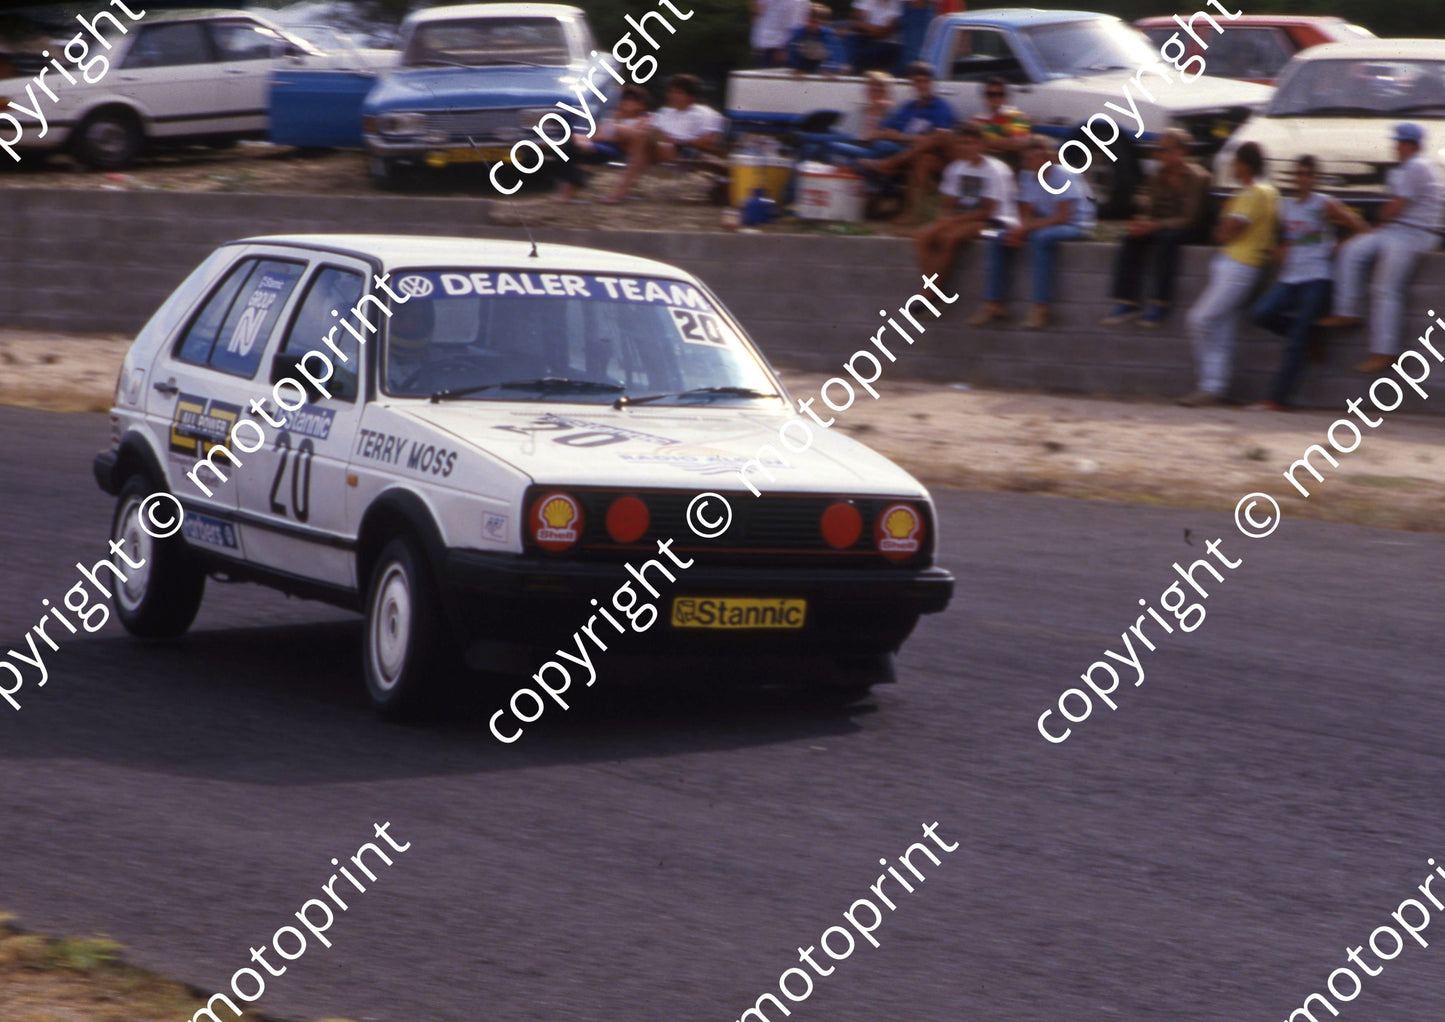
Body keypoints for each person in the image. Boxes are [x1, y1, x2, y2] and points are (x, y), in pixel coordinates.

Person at [1318, 122, 1445, 373]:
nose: (1396, 146)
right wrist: (1374, 226)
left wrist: (1373, 222)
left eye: (1400, 142)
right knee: (1351, 251)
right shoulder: (1404, 168)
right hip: (1396, 229)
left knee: (1385, 286)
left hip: (1417, 232)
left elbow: (1396, 205)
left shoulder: (1418, 165)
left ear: (1411, 145)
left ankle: (1385, 351)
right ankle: (1348, 310)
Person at [1249, 155, 1366, 409]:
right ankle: (1311, 334)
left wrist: (1338, 247)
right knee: (1261, 313)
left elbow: (1358, 226)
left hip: (1317, 278)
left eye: (1308, 174)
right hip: (1289, 279)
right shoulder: (1286, 206)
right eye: (1299, 174)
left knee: (1297, 338)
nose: (1303, 179)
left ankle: (1275, 398)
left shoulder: (1323, 204)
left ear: (1315, 179)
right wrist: (1279, 251)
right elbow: (1284, 239)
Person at [1178, 141, 1278, 407]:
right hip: (1236, 265)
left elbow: (1226, 231)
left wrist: (1224, 229)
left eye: (1235, 162)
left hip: (1239, 265)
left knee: (1199, 319)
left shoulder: (1256, 192)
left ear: (1245, 164)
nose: (1233, 166)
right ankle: (1214, 387)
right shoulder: (1256, 192)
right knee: (1220, 328)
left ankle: (1210, 384)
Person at [969, 135, 1095, 329]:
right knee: (999, 238)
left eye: (1034, 156)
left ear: (1046, 156)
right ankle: (993, 303)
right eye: (1025, 157)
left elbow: (1064, 217)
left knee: (1040, 239)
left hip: (1077, 223)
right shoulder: (1028, 176)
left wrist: (1027, 229)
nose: (1028, 161)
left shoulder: (1063, 175)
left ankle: (1040, 308)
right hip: (1049, 222)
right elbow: (1027, 212)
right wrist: (1018, 231)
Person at [1099, 128, 1209, 328]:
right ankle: (1126, 301)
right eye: (1158, 150)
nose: (1160, 155)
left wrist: (1154, 225)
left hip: (1191, 227)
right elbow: (1149, 201)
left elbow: (1189, 218)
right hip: (1162, 224)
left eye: (1165, 150)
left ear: (1182, 151)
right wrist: (1142, 220)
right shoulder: (1156, 175)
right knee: (1131, 237)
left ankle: (1161, 302)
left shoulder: (1198, 177)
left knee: (1166, 241)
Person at [856, 62, 956, 222]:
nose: (921, 85)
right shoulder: (908, 107)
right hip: (907, 152)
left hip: (937, 156)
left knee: (928, 152)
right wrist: (894, 135)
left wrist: (902, 137)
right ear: (913, 84)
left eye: (925, 81)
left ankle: (890, 166)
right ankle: (900, 203)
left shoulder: (940, 107)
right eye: (917, 81)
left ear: (931, 83)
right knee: (889, 149)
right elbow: (884, 131)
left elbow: (940, 139)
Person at [914, 122, 1016, 277]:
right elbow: (949, 205)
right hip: (966, 218)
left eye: (971, 143)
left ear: (981, 145)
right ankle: (932, 287)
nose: (966, 147)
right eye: (962, 143)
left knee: (949, 237)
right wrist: (945, 219)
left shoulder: (995, 170)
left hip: (997, 222)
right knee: (923, 236)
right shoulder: (955, 168)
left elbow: (987, 212)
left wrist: (952, 222)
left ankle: (930, 292)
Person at [558, 83, 655, 204]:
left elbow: (632, 137)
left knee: (574, 145)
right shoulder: (613, 116)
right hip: (602, 143)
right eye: (623, 98)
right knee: (569, 143)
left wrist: (611, 134)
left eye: (630, 100)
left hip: (616, 149)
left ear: (641, 105)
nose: (624, 102)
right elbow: (596, 135)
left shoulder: (643, 119)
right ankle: (566, 191)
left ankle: (569, 190)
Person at [651, 74, 727, 163]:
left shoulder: (706, 113)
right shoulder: (664, 111)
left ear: (692, 96)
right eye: (671, 92)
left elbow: (711, 140)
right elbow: (653, 131)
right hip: (657, 146)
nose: (673, 96)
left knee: (662, 145)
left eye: (679, 93)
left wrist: (677, 141)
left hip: (686, 151)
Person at [970, 79, 1030, 163]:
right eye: (991, 94)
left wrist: (984, 142)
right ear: (985, 97)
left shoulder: (1015, 116)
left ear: (1006, 97)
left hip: (1004, 160)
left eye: (1000, 94)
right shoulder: (977, 119)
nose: (995, 98)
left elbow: (1017, 143)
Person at [787, 3, 849, 73]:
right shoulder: (798, 33)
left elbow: (836, 56)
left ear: (822, 23)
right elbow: (792, 53)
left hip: (820, 68)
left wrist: (828, 69)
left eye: (816, 22)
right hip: (800, 67)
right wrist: (798, 68)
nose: (812, 25)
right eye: (810, 21)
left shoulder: (828, 34)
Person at [751, 0, 808, 67]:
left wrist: (783, 49)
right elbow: (757, 10)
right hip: (761, 46)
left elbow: (795, 27)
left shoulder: (797, 2)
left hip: (779, 50)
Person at [849, 0, 901, 73]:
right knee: (851, 37)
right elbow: (854, 23)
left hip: (888, 45)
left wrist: (862, 27)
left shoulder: (899, 4)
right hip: (864, 40)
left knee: (859, 56)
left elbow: (882, 33)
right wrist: (873, 29)